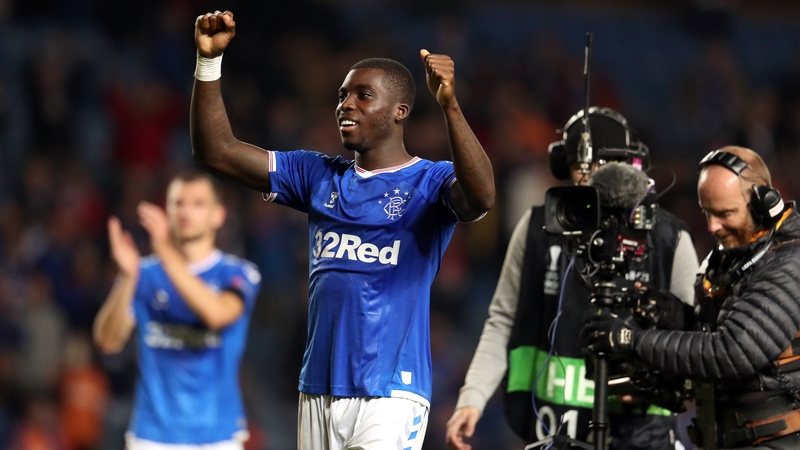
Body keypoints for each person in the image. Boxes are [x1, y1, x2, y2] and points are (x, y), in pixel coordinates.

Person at [190, 10, 495, 450]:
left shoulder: (430, 182)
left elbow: (482, 197)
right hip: (317, 388)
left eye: (363, 95)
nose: (345, 104)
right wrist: (208, 63)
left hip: (391, 392)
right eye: (342, 95)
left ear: (399, 111)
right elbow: (215, 150)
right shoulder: (317, 174)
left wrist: (449, 104)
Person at [446, 107, 700, 450]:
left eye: (598, 169)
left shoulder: (669, 239)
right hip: (549, 427)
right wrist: (472, 397)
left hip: (641, 430)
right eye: (577, 169)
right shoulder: (537, 228)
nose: (587, 180)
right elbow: (503, 320)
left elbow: (693, 337)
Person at [582, 146, 800, 449]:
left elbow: (731, 352)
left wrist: (632, 340)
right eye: (706, 212)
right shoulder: (729, 257)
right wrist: (678, 314)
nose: (712, 226)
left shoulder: (790, 262)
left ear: (764, 204)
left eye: (725, 213)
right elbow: (719, 330)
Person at [92, 169, 262, 449]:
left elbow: (217, 314)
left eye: (197, 204)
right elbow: (107, 342)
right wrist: (128, 278)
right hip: (152, 435)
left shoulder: (238, 273)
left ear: (218, 215)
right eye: (178, 203)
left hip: (218, 436)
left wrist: (163, 250)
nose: (186, 211)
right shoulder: (144, 274)